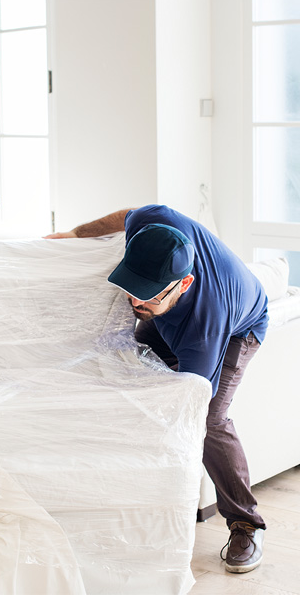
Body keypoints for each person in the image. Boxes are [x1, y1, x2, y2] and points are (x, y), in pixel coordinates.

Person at [46, 204, 268, 574]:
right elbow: (127, 214)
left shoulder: (203, 330)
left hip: (239, 328)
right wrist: (73, 235)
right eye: (132, 290)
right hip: (176, 312)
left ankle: (246, 524)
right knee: (122, 364)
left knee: (209, 420)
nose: (135, 302)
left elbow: (190, 410)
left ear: (183, 283)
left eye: (147, 295)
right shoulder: (153, 222)